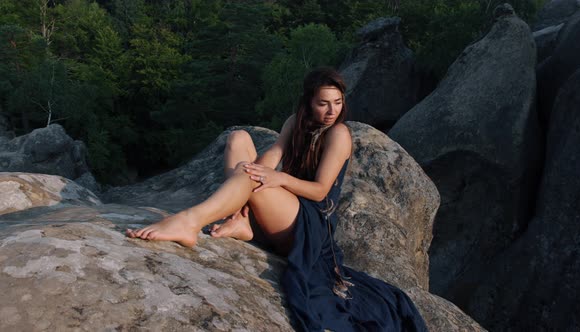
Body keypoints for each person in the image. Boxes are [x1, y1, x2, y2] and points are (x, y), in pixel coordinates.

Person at [126, 67, 428, 331]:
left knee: (250, 175)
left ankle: (189, 222)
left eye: (337, 103)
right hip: (287, 212)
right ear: (308, 102)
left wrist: (276, 178)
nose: (331, 110)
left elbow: (320, 190)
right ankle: (246, 222)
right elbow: (273, 154)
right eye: (323, 103)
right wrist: (259, 172)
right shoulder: (295, 121)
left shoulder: (339, 134)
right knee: (239, 141)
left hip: (311, 224)